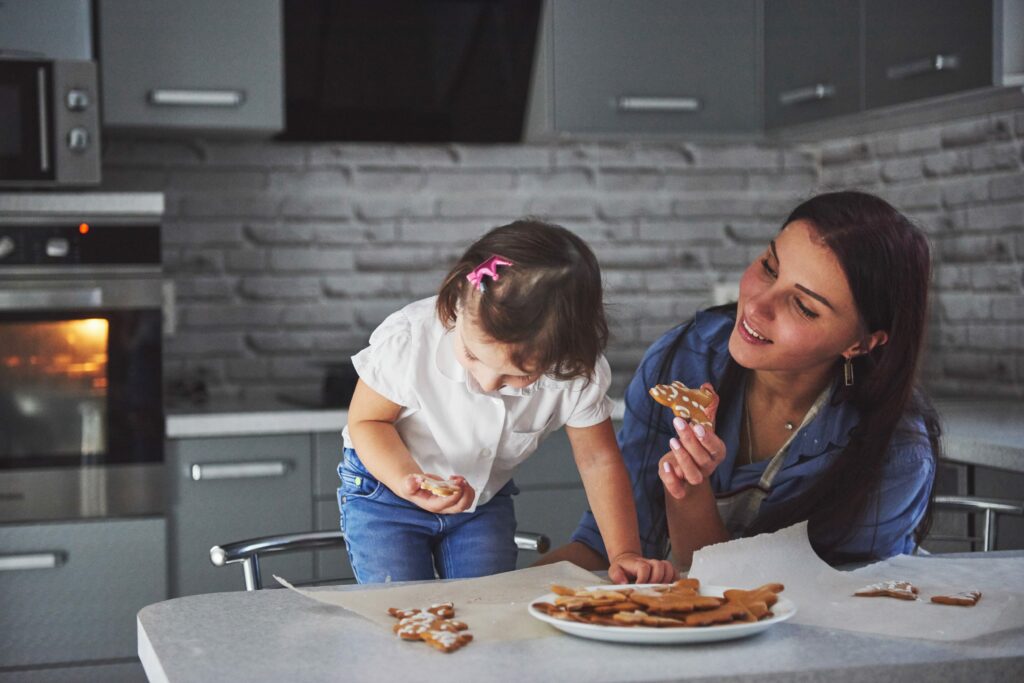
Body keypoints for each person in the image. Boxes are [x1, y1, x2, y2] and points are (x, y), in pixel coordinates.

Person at [539, 190, 940, 572]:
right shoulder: (683, 362)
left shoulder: (896, 454)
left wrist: (691, 494)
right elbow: (608, 550)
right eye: (769, 267)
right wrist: (488, 598)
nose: (757, 305)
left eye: (803, 306)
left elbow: (803, 605)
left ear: (861, 342)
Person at [340, 219, 676, 584]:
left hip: (481, 505)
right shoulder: (410, 339)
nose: (486, 382)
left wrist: (625, 552)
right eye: (471, 354)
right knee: (400, 605)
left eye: (518, 375)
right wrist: (407, 479)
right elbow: (367, 422)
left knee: (489, 604)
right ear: (457, 297)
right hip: (386, 493)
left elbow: (598, 460)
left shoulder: (577, 373)